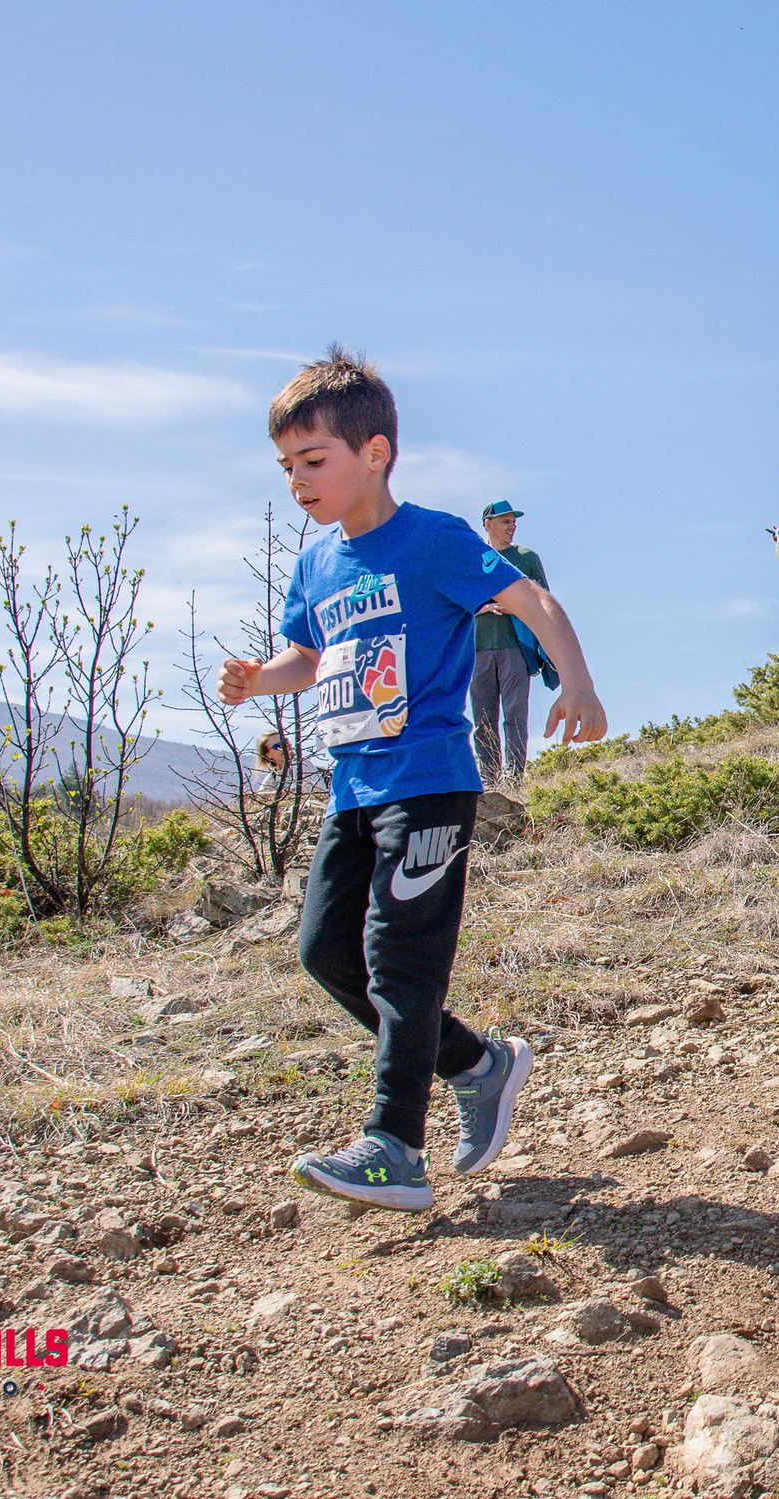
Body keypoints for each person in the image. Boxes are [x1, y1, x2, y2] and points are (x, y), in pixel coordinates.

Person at [219, 349, 608, 1210]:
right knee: (326, 952)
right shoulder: (317, 564)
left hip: (429, 781)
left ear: (375, 453)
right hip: (352, 791)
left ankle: (394, 1145)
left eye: (312, 460)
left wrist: (576, 680)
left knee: (401, 959)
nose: (298, 481)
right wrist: (258, 679)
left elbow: (531, 601)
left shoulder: (433, 539)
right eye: (286, 467)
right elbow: (307, 656)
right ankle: (476, 1062)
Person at [469, 499, 550, 787]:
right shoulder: (471, 558)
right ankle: (489, 781)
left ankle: (515, 779)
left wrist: (516, 607)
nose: (512, 526)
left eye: (514, 521)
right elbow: (456, 600)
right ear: (488, 524)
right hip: (477, 648)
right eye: (505, 521)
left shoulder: (527, 558)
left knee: (515, 716)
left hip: (515, 647)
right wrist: (482, 607)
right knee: (482, 719)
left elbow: (544, 600)